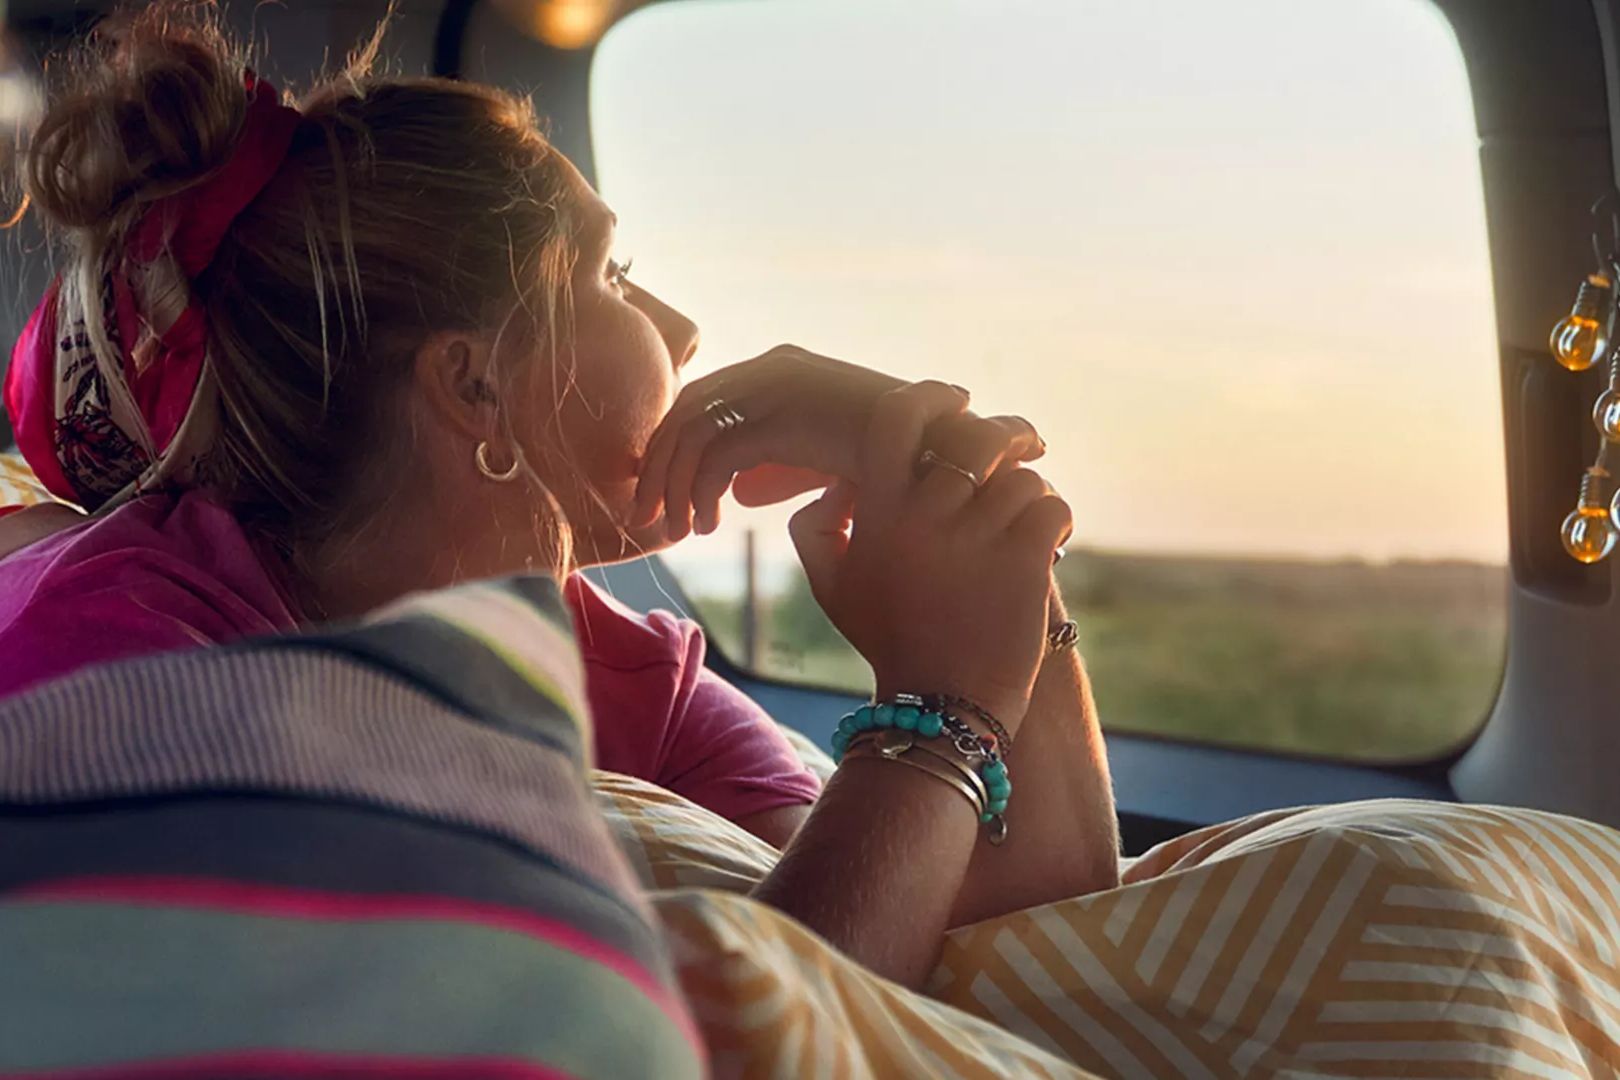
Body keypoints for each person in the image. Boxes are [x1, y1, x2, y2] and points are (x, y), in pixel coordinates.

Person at [0, 3, 1119, 985]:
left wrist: (981, 526)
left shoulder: (621, 675)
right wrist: (935, 719)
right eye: (609, 275)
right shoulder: (113, 658)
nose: (681, 331)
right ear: (475, 383)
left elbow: (1024, 929)